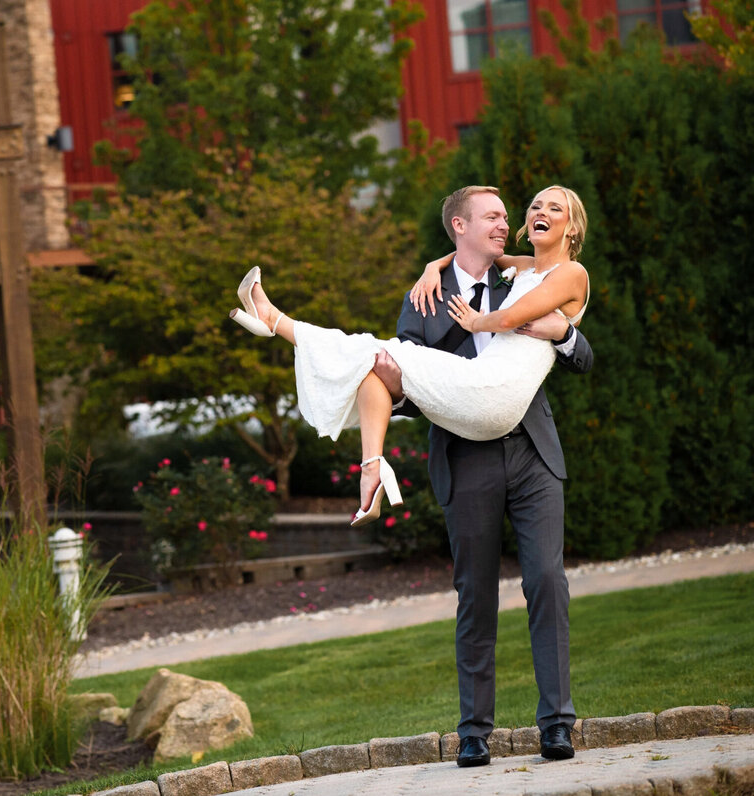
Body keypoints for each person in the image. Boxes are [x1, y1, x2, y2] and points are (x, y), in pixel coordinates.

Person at [233, 184, 591, 767]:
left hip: (531, 450)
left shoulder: (533, 274)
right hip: (464, 450)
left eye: (511, 215)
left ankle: (557, 724)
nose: (510, 223)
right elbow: (394, 387)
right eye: (495, 216)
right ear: (459, 226)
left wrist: (563, 333)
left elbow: (584, 353)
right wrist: (372, 460)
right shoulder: (424, 298)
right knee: (474, 594)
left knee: (547, 582)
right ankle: (474, 730)